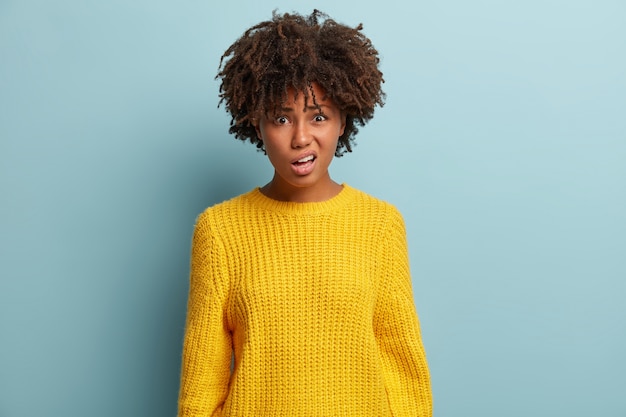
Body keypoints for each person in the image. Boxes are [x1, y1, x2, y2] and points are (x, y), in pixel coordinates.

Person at [177, 10, 432, 417]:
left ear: (343, 121)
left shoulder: (381, 225)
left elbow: (404, 373)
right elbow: (202, 382)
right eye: (281, 118)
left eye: (319, 116)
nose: (301, 137)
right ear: (256, 123)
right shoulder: (220, 230)